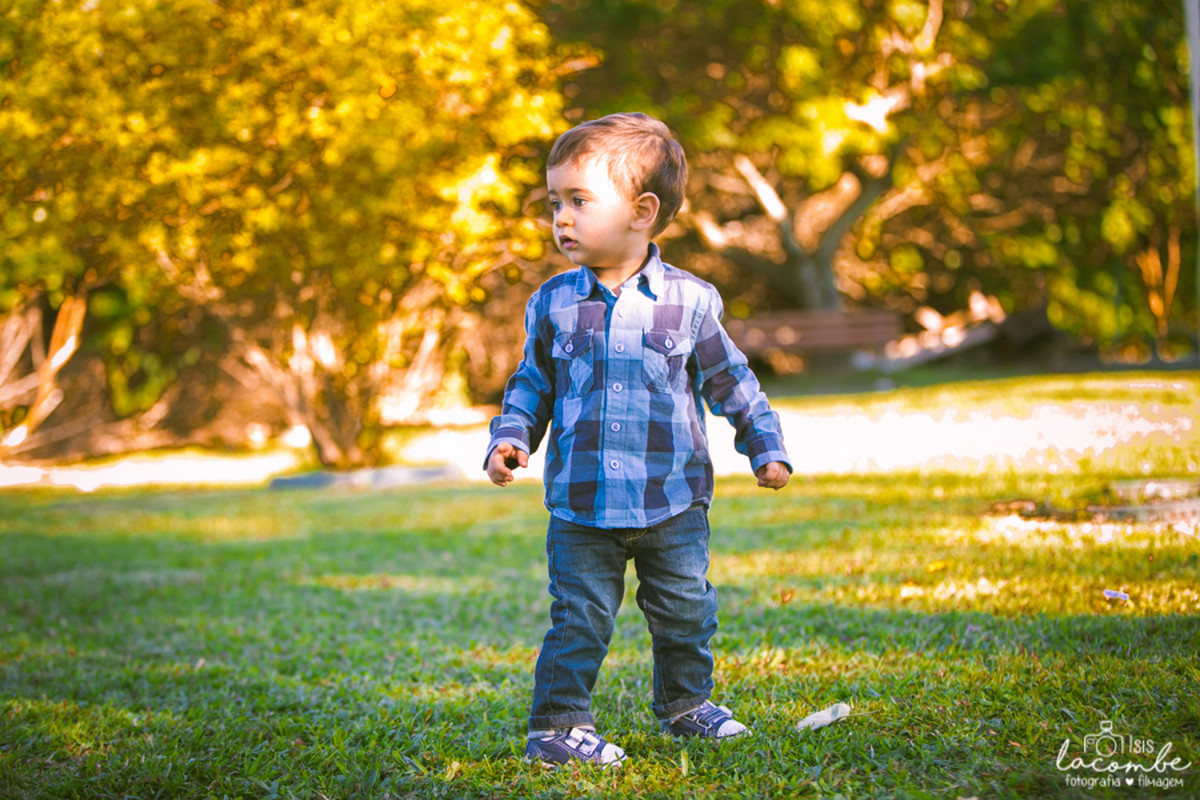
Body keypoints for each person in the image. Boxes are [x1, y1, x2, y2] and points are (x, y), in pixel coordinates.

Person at [484, 112, 791, 768]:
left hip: (672, 501)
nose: (560, 218)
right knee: (579, 620)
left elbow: (731, 380)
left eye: (579, 201)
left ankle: (686, 706)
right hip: (581, 504)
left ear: (642, 211)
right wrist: (511, 439)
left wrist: (764, 444)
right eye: (555, 203)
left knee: (685, 613)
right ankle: (557, 728)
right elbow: (531, 383)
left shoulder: (692, 300)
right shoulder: (553, 302)